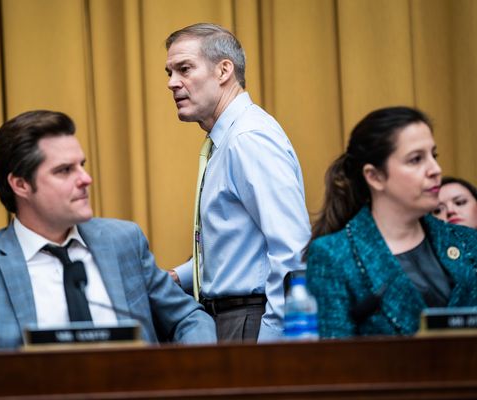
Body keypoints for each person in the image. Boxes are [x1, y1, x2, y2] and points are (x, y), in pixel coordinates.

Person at [0, 110, 216, 353]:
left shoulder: (123, 242)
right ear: (21, 185)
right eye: (64, 170)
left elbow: (188, 318)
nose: (85, 179)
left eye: (82, 165)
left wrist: (189, 375)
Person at [164, 23, 310, 342]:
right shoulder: (227, 138)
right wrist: (180, 276)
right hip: (231, 319)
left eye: (184, 69)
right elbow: (240, 246)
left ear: (223, 71)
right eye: (169, 72)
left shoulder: (249, 138)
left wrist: (272, 343)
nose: (172, 83)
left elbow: (292, 249)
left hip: (253, 322)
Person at [305, 106, 477, 338]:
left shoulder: (467, 241)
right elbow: (335, 355)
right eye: (416, 159)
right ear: (375, 176)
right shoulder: (334, 255)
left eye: (433, 156)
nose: (435, 170)